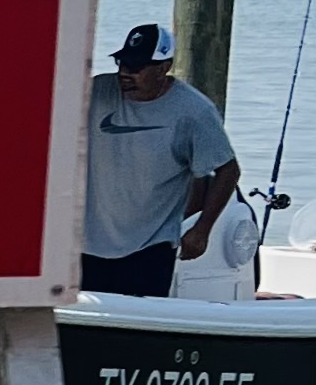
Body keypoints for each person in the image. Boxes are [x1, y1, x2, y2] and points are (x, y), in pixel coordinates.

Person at [81, 22, 242, 297]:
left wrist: (202, 229)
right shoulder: (96, 91)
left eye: (136, 67)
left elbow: (228, 170)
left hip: (149, 246)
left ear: (162, 67)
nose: (125, 73)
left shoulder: (194, 111)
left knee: (136, 329)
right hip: (86, 243)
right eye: (122, 63)